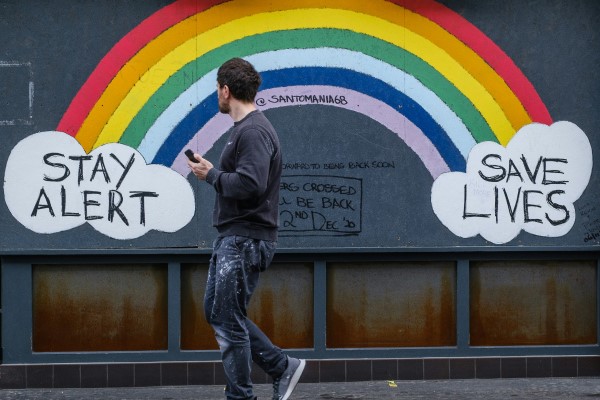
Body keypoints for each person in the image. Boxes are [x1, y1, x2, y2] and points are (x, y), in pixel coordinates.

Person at [187, 57, 305, 400]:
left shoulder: (252, 130)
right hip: (238, 238)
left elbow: (252, 184)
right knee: (218, 312)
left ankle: (243, 395)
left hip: (244, 239)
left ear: (226, 91)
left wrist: (211, 176)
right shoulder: (247, 130)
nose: (217, 97)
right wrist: (215, 172)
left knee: (226, 319)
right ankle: (282, 366)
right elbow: (244, 178)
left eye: (217, 91)